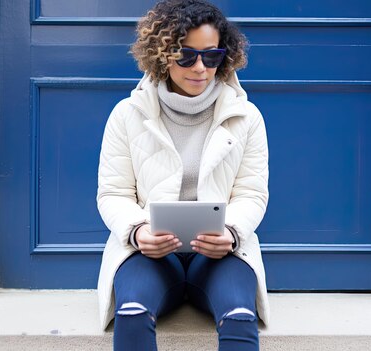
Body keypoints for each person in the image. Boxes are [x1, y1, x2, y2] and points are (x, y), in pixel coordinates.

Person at [96, 0, 269, 349]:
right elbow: (112, 193)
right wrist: (137, 231)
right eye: (186, 56)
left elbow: (252, 194)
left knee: (239, 316)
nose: (201, 68)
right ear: (162, 54)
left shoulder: (246, 116)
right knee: (131, 313)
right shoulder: (127, 114)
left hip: (222, 253)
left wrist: (232, 233)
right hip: (150, 253)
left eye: (212, 55)